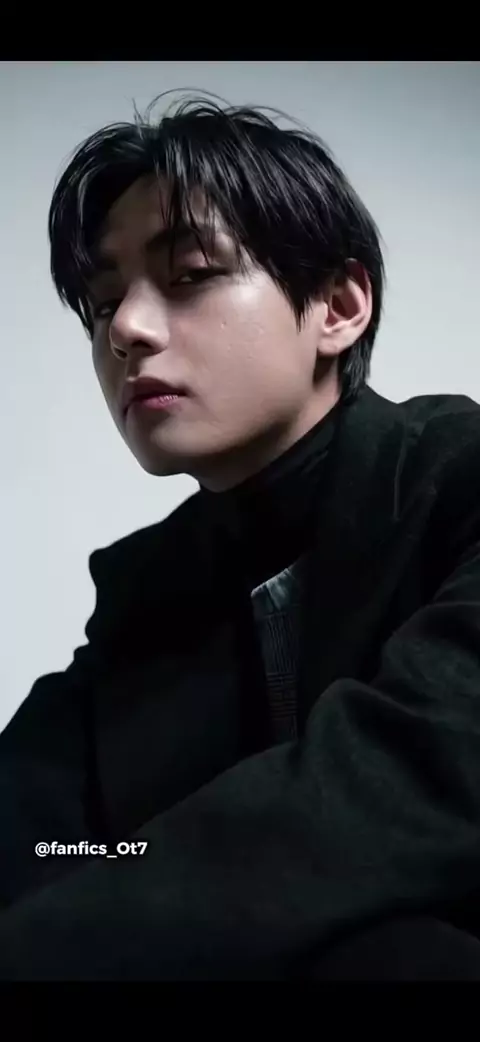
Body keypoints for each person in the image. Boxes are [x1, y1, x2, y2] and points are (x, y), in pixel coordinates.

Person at [2, 93, 480, 981]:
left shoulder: (459, 482)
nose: (126, 329)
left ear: (338, 305)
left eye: (189, 274)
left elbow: (425, 776)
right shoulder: (140, 601)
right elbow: (41, 848)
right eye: (102, 302)